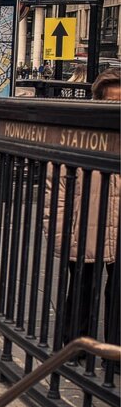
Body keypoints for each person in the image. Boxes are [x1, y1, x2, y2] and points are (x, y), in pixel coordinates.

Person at [50, 68, 120, 348]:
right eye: (111, 101)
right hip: (84, 229)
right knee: (82, 290)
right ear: (98, 101)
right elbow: (55, 191)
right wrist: (59, 234)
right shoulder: (78, 136)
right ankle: (75, 346)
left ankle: (115, 353)